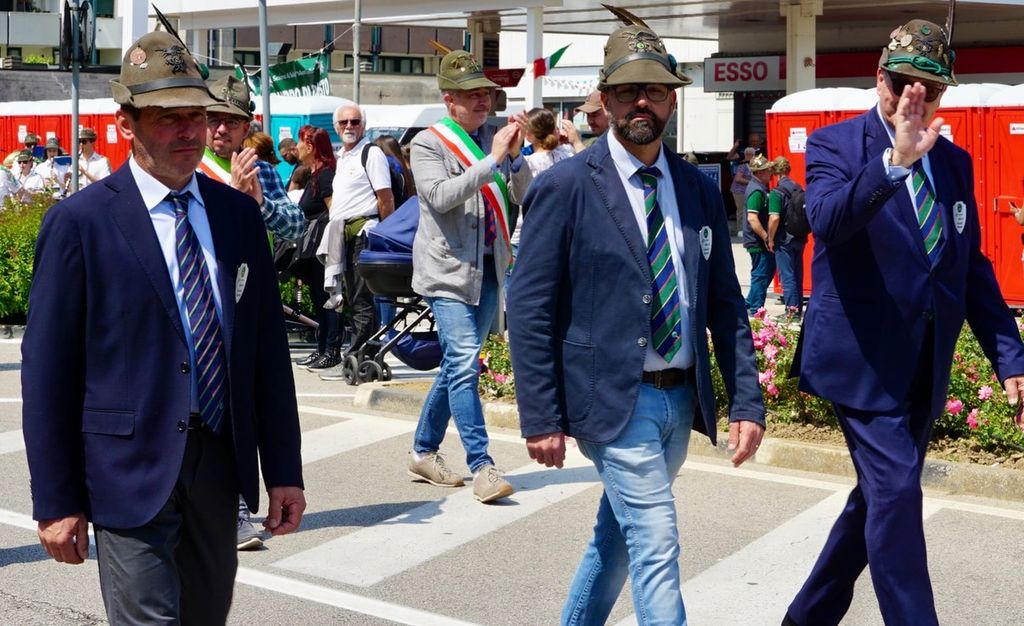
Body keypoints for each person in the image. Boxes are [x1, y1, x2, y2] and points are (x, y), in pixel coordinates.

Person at [21, 30, 305, 625]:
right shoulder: (80, 223)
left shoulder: (237, 215)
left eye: (197, 115)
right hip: (127, 470)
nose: (189, 131)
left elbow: (266, 354)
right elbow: (48, 374)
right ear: (126, 124)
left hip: (217, 466)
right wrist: (56, 499)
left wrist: (283, 470)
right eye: (167, 117)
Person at [507, 19, 765, 625]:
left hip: (679, 401)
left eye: (654, 90)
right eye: (627, 92)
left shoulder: (698, 188)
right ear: (606, 100)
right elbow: (529, 306)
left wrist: (746, 401)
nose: (641, 103)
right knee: (655, 540)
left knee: (617, 540)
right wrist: (541, 415)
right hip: (610, 402)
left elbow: (725, 304)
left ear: (673, 99)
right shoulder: (567, 186)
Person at [784, 19, 1024, 626]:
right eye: (901, 84)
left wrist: (1010, 359)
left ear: (943, 96)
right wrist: (894, 162)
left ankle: (805, 618)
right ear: (878, 79)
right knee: (895, 495)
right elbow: (828, 221)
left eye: (929, 89)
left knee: (875, 505)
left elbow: (969, 267)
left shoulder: (956, 163)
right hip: (861, 365)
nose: (912, 98)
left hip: (924, 365)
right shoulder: (835, 145)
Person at [406, 48, 532, 503]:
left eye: (486, 94)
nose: (482, 101)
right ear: (449, 100)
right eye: (471, 94)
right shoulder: (428, 143)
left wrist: (515, 160)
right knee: (463, 365)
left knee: (456, 366)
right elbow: (441, 196)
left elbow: (524, 195)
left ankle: (423, 451)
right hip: (448, 271)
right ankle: (482, 465)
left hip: (490, 269)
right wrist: (492, 160)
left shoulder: (493, 140)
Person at [315, 105, 394, 382]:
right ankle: (360, 358)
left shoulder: (371, 153)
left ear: (364, 125)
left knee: (362, 300)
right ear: (336, 127)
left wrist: (385, 237)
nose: (349, 126)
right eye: (344, 122)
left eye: (355, 121)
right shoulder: (344, 157)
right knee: (353, 299)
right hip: (344, 235)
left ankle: (360, 359)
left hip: (364, 233)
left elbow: (385, 198)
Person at [201, 74, 304, 242]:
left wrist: (261, 203)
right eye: (214, 120)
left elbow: (296, 229)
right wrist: (235, 194)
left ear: (245, 129)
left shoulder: (263, 171)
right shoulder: (191, 170)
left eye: (231, 122)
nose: (221, 129)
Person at [292, 124, 344, 370]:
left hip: (323, 248)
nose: (296, 147)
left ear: (310, 146)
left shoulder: (325, 175)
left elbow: (334, 211)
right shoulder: (315, 174)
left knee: (328, 299)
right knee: (318, 298)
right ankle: (321, 348)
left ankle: (332, 350)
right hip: (313, 250)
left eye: (300, 142)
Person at [767, 156, 806, 320]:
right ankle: (797, 310)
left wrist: (770, 238)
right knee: (797, 276)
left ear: (774, 172)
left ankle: (791, 313)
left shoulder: (777, 192)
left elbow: (774, 217)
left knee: (787, 276)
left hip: (784, 239)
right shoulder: (798, 187)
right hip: (800, 236)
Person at [742, 153, 777, 315]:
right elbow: (752, 218)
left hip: (756, 240)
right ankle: (756, 309)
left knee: (764, 272)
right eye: (768, 170)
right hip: (757, 241)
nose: (771, 173)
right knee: (761, 274)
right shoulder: (756, 191)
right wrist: (766, 237)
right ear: (760, 173)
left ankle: (749, 302)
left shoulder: (758, 188)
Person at [728, 147, 755, 236]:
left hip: (746, 190)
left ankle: (746, 228)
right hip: (738, 191)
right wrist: (751, 182)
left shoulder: (751, 165)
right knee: (741, 209)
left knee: (746, 209)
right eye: (754, 155)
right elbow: (738, 179)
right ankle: (740, 230)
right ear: (749, 155)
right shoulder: (742, 165)